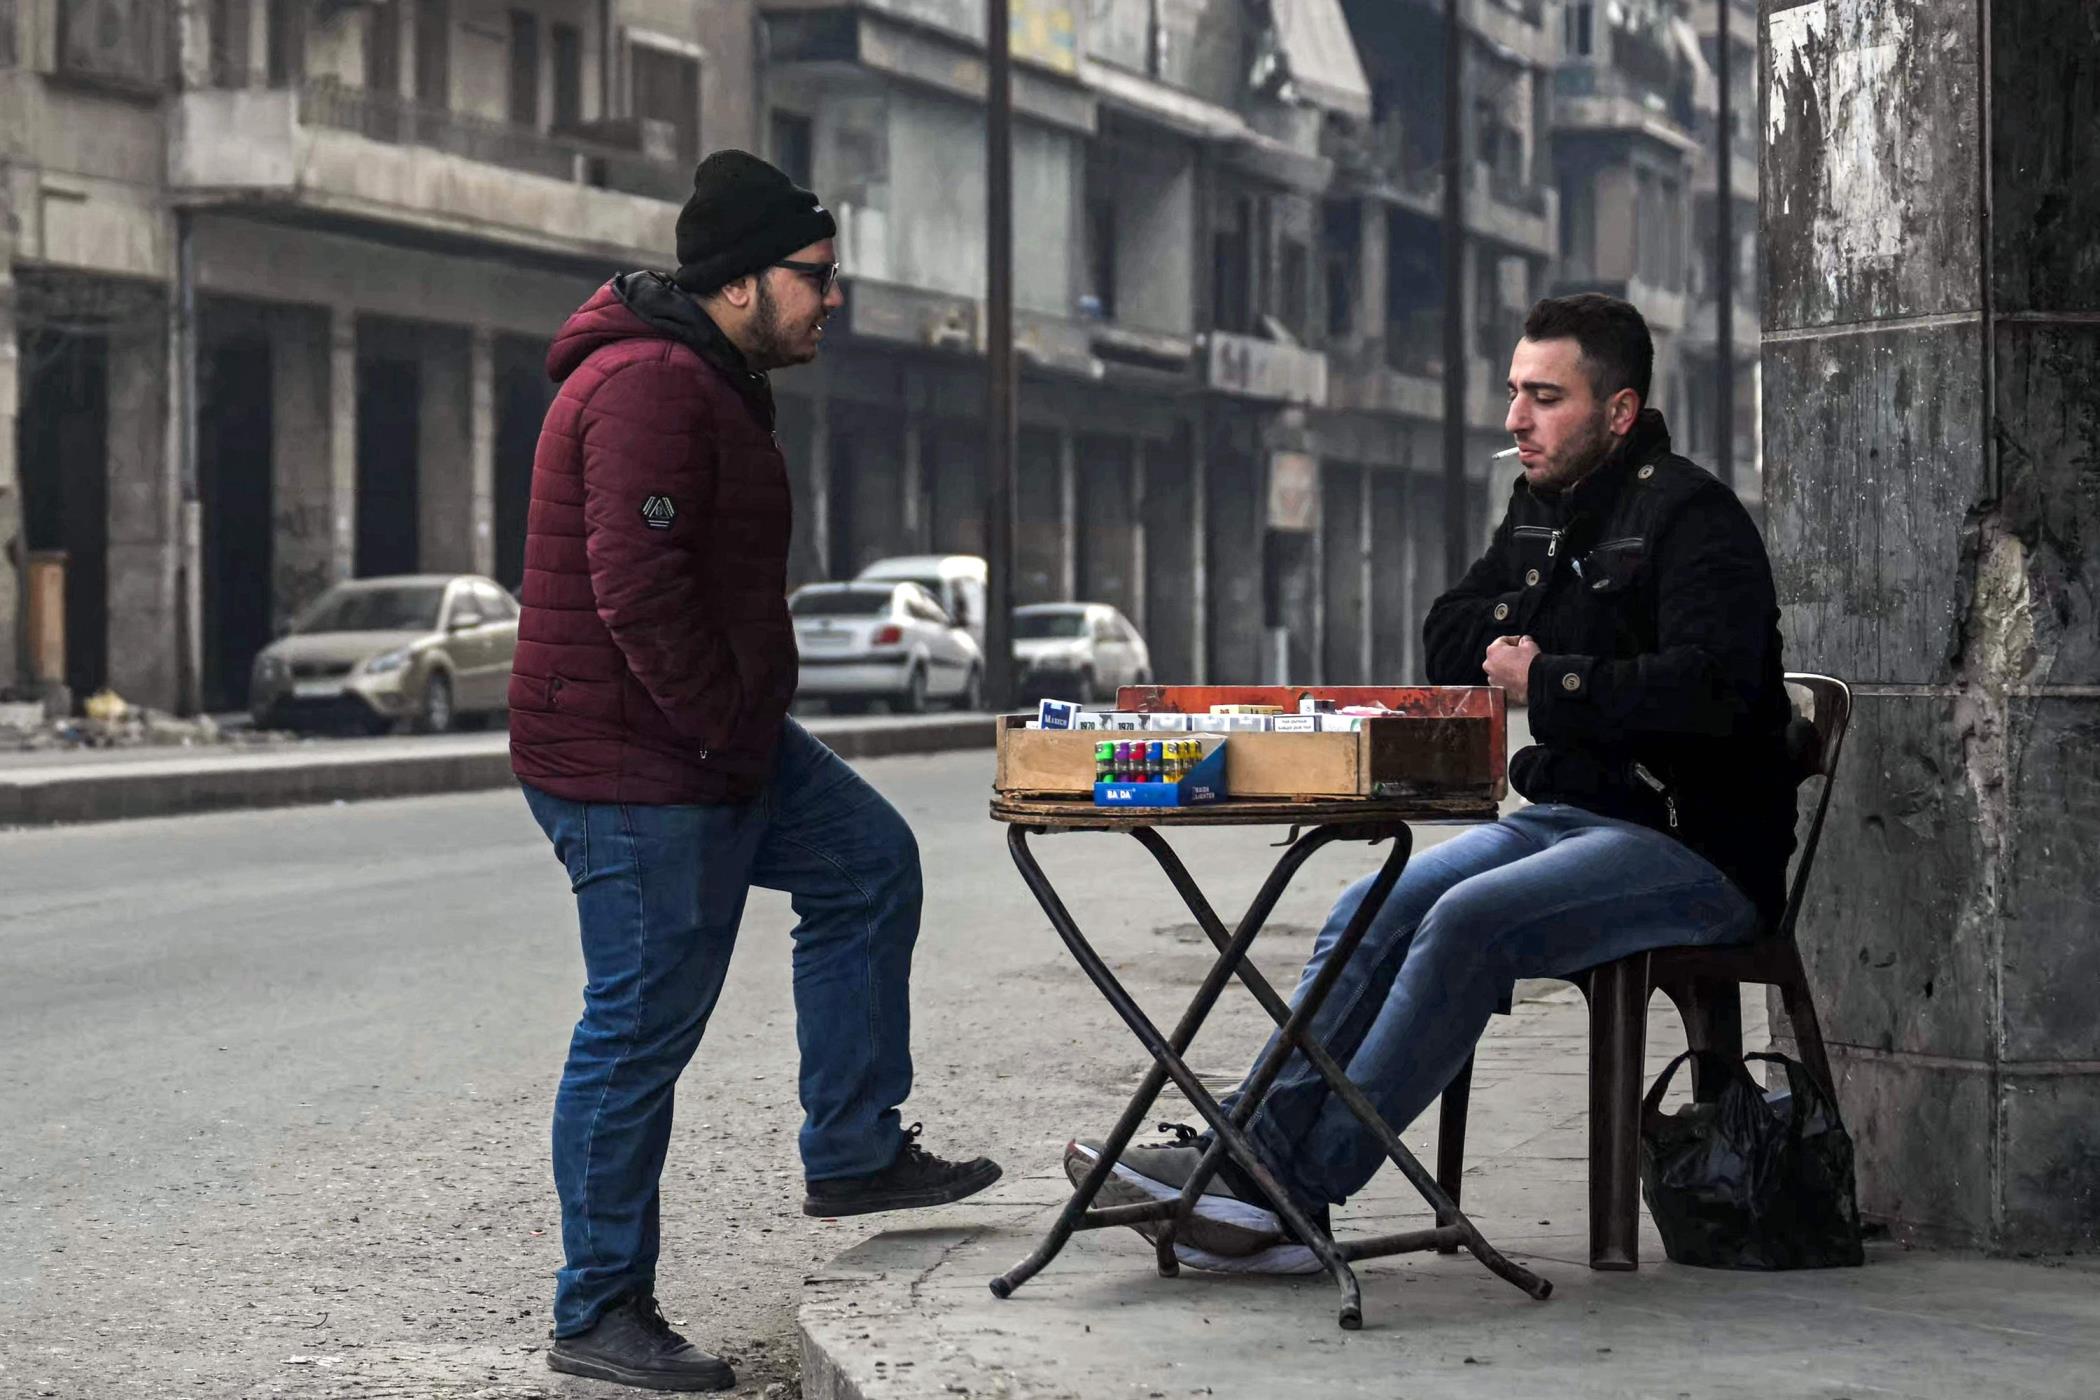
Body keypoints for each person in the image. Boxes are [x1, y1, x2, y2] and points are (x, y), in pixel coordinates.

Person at [1064, 293, 1797, 1274]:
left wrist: (1552, 677)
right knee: (1375, 900)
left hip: (1695, 843)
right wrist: (1519, 634)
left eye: (1544, 397)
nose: (1515, 420)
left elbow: (1716, 688)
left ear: (1618, 412)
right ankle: (1250, 1159)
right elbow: (1450, 639)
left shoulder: (1694, 519)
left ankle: (1288, 1185)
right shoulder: (1541, 512)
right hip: (1577, 815)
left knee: (1467, 922)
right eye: (1513, 393)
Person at [510, 150, 1001, 1391]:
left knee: (870, 863)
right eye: (817, 276)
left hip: (702, 738)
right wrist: (729, 735)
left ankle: (850, 1144)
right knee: (637, 1027)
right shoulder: (650, 388)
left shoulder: (705, 375)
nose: (833, 298)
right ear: (740, 283)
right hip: (636, 759)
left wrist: (734, 734)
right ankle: (601, 1306)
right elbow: (636, 592)